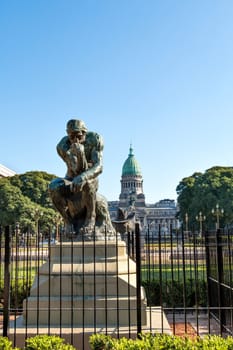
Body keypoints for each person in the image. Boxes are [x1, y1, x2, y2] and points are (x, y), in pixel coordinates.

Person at [49, 119, 115, 239]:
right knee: (53, 186)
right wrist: (78, 154)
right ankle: (68, 221)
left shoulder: (95, 139)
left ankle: (91, 217)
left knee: (88, 182)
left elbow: (98, 167)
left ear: (84, 132)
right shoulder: (62, 146)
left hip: (90, 178)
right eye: (71, 136)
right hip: (70, 178)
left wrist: (83, 173)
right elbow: (76, 169)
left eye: (78, 136)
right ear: (67, 134)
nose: (75, 140)